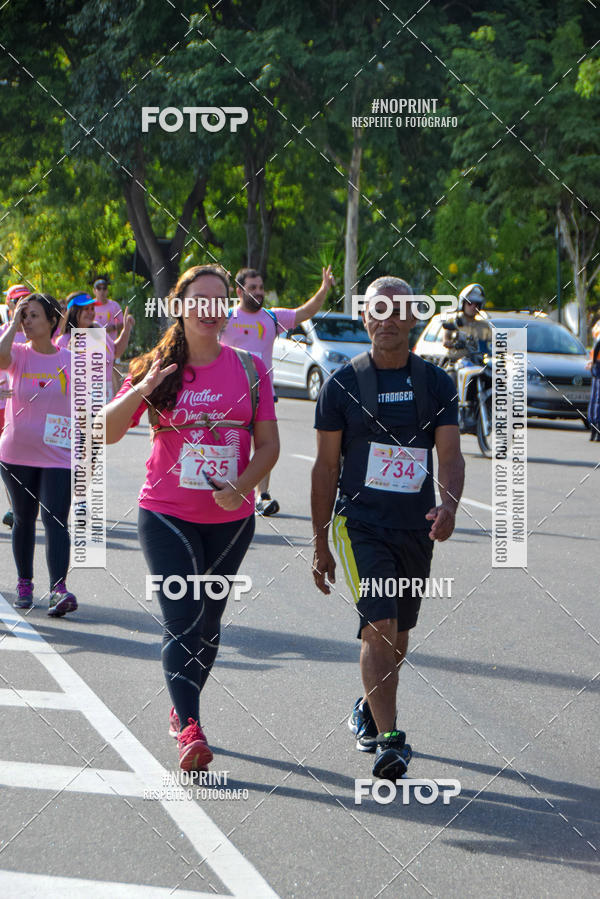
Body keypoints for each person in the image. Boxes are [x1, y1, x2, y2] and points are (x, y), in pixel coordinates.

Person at [104, 264, 279, 772]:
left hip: (232, 517)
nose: (209, 308)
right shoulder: (156, 367)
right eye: (198, 299)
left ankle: (181, 709)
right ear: (179, 306)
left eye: (218, 299)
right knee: (182, 618)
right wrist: (142, 389)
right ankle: (191, 728)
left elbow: (269, 446)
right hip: (166, 513)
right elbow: (106, 430)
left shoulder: (249, 368)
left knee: (208, 622)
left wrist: (242, 487)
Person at [311, 276, 464, 781]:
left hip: (414, 528)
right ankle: (391, 740)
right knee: (379, 625)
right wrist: (319, 545)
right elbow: (324, 469)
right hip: (360, 526)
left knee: (397, 635)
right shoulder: (343, 384)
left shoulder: (437, 383)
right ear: (366, 317)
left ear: (415, 317)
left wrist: (448, 506)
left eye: (400, 310)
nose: (389, 319)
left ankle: (368, 706)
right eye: (380, 310)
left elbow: (451, 455)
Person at [221, 265, 335, 515]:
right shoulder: (225, 317)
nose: (258, 292)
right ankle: (226, 490)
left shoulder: (272, 318)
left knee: (263, 446)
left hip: (262, 394)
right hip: (229, 394)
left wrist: (324, 288)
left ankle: (262, 496)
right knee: (230, 444)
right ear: (239, 292)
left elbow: (305, 312)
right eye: (252, 288)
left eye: (261, 288)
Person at [0, 292, 78, 616]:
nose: (28, 321)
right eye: (24, 316)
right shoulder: (16, 353)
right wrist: (13, 325)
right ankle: (24, 583)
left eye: (33, 315)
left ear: (52, 320)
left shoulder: (69, 360)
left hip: (57, 455)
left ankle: (58, 589)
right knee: (23, 518)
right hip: (16, 452)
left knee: (55, 518)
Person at [57, 292, 134, 401]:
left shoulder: (97, 329)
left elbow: (116, 352)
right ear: (74, 311)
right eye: (86, 309)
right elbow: (61, 378)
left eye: (92, 309)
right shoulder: (63, 341)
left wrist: (126, 330)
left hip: (107, 399)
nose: (90, 312)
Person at [0, 285, 31, 528]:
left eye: (27, 300)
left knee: (23, 461)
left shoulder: (38, 334)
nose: (23, 305)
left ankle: (18, 506)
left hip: (29, 410)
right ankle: (15, 505)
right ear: (10, 305)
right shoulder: (4, 333)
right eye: (18, 301)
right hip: (2, 407)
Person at [586, 319, 600, 441]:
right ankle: (596, 426)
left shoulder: (597, 325)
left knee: (595, 397)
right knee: (598, 398)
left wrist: (593, 362)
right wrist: (594, 361)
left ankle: (593, 427)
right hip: (598, 365)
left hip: (597, 365)